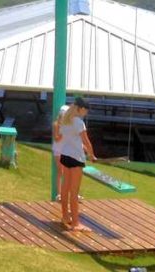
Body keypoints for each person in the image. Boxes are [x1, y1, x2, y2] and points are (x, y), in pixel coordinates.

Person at [55, 96, 96, 231]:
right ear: (81, 109)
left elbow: (73, 140)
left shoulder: (65, 119)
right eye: (86, 110)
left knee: (65, 190)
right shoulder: (78, 122)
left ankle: (65, 216)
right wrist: (92, 155)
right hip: (76, 159)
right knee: (74, 192)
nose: (86, 113)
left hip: (65, 156)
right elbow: (86, 141)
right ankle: (76, 223)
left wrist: (88, 152)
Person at [51, 103, 69, 200]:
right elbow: (57, 139)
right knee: (60, 171)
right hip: (58, 149)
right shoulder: (56, 124)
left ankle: (70, 193)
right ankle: (59, 194)